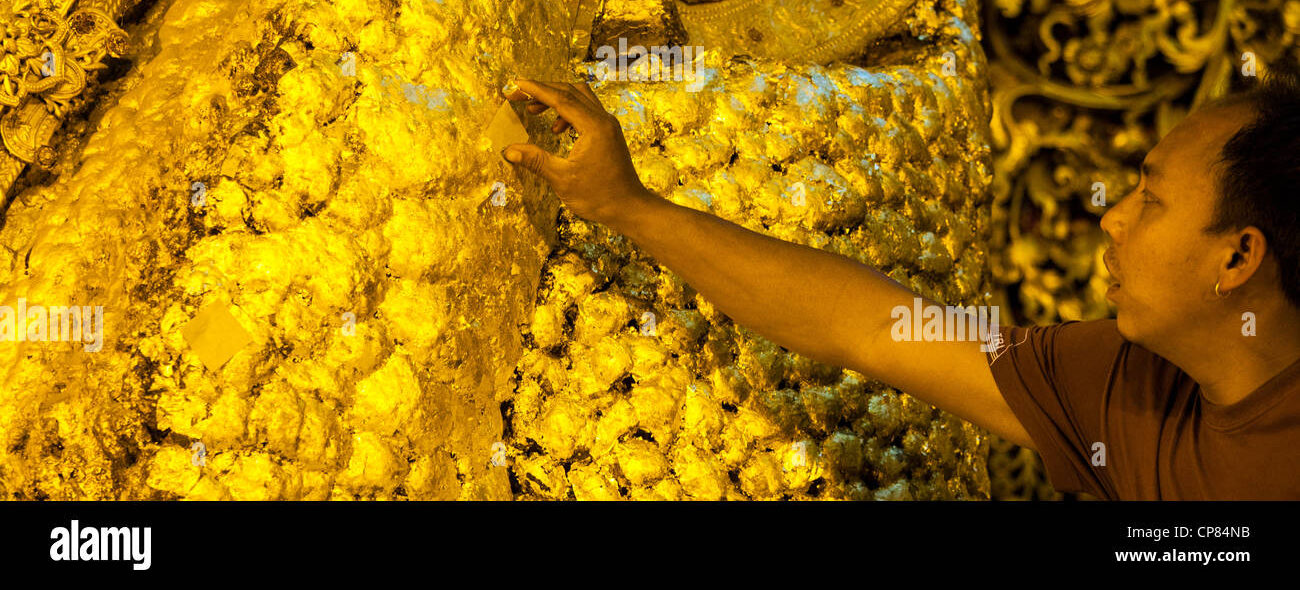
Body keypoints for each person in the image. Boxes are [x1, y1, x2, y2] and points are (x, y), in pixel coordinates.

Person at [499, 64, 1300, 500]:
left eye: (1151, 200)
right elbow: (876, 328)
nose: (1114, 218)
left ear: (1237, 258)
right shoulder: (1137, 389)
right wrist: (627, 206)